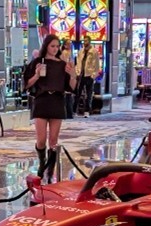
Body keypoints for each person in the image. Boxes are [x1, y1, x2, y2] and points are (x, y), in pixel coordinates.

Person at [24, 34, 77, 180]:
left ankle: (50, 168)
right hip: (42, 100)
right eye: (52, 46)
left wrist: (73, 75)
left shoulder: (62, 64)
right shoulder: (37, 62)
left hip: (57, 101)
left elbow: (71, 87)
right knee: (41, 140)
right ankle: (42, 162)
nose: (55, 49)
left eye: (57, 46)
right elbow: (27, 84)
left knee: (53, 140)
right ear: (46, 46)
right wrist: (36, 75)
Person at [73, 35, 100, 118]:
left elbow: (96, 65)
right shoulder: (81, 51)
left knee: (89, 94)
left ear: (89, 41)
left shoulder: (94, 52)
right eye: (84, 41)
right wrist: (77, 72)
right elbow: (78, 62)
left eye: (86, 41)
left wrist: (93, 75)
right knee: (77, 93)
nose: (85, 42)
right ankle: (74, 111)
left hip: (89, 75)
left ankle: (87, 111)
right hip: (81, 75)